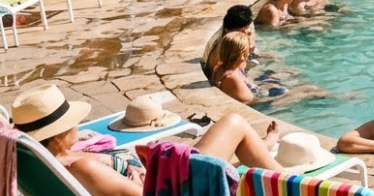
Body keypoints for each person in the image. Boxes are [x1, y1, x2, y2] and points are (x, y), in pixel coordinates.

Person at [12, 84, 285, 196]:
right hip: (170, 188)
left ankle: (262, 149)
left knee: (212, 146)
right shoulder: (85, 168)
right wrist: (137, 177)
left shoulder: (35, 160)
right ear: (60, 132)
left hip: (158, 175)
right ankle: (287, 179)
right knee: (234, 123)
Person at [202, 4, 255, 80]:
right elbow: (221, 79)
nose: (246, 37)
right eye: (242, 33)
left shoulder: (231, 40)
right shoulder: (222, 51)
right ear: (228, 31)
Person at [210, 30, 259, 103]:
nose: (249, 54)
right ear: (242, 55)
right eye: (248, 51)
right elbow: (250, 101)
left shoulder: (222, 66)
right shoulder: (231, 78)